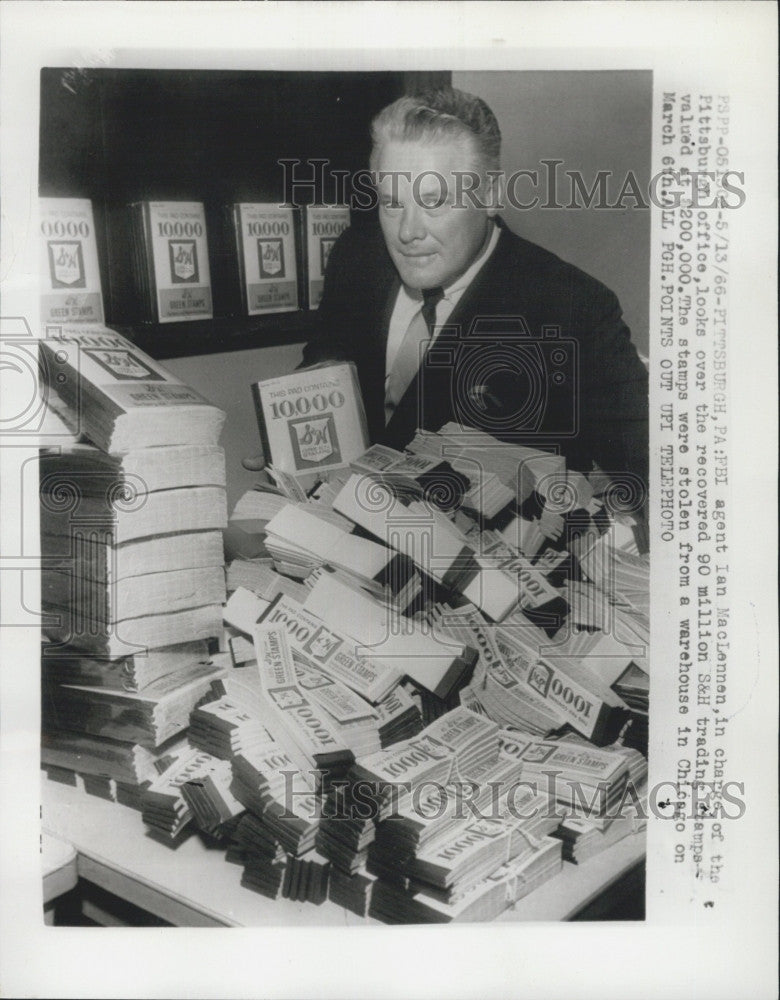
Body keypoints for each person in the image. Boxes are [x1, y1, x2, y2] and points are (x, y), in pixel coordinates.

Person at [246, 86, 648, 505]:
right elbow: (328, 355)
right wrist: (296, 426)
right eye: (390, 203)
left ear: (491, 194)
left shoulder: (574, 308)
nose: (407, 232)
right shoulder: (357, 257)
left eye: (434, 202)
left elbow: (649, 471)